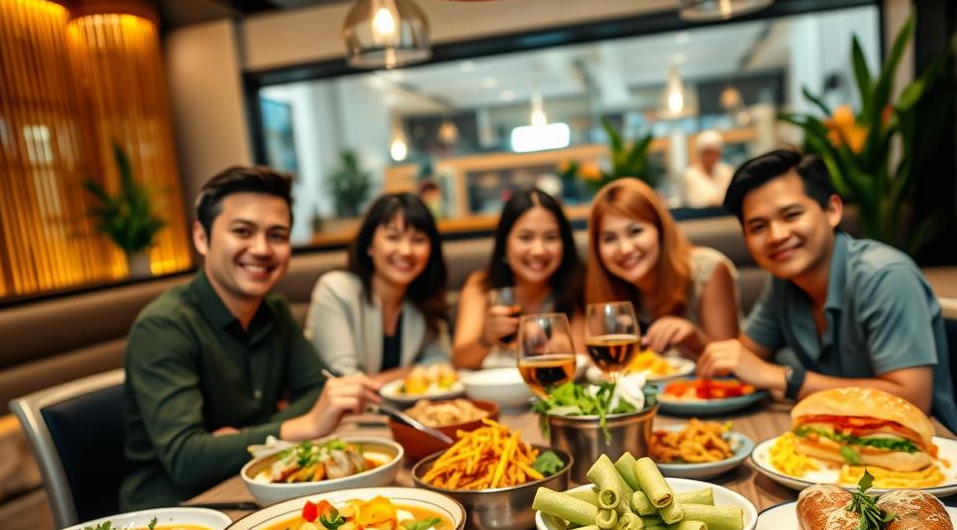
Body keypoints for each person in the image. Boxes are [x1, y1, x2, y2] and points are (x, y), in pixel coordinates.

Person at [121, 166, 378, 510]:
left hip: (256, 488)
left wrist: (244, 437)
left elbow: (317, 393)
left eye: (277, 235)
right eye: (243, 231)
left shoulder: (275, 311)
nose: (261, 249)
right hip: (172, 514)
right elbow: (187, 460)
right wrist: (297, 427)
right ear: (202, 237)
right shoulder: (163, 326)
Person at [697, 148, 957, 430]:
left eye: (791, 215)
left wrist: (782, 378)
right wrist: (693, 338)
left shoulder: (885, 276)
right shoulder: (784, 283)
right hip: (837, 437)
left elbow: (914, 400)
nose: (777, 236)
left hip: (923, 447)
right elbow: (745, 357)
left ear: (832, 210)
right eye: (758, 227)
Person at [586, 177, 739, 357]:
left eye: (635, 231)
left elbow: (730, 365)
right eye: (609, 238)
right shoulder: (604, 287)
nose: (625, 249)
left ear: (660, 230)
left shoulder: (708, 269)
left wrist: (693, 336)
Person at [305, 193, 449, 377]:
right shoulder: (336, 290)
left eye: (418, 240)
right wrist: (411, 372)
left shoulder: (422, 300)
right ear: (369, 245)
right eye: (393, 237)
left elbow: (441, 366)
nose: (406, 250)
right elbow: (346, 381)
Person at [453, 187, 585, 368]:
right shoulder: (481, 286)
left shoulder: (577, 285)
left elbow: (582, 361)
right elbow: (460, 362)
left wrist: (555, 342)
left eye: (551, 237)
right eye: (525, 237)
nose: (539, 250)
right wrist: (486, 337)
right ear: (504, 244)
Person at [683, 129, 734, 208]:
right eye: (707, 153)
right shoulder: (690, 174)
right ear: (700, 153)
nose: (711, 157)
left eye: (714, 152)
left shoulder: (726, 171)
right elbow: (693, 201)